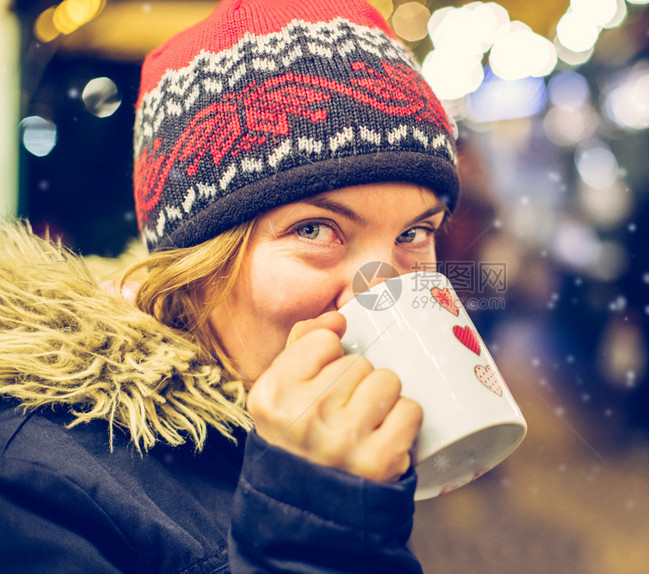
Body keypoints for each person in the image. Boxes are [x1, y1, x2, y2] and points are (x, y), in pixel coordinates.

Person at [0, 0, 459, 571]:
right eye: (315, 229)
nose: (377, 292)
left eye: (415, 232)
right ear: (194, 266)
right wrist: (314, 528)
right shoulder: (36, 488)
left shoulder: (337, 447)